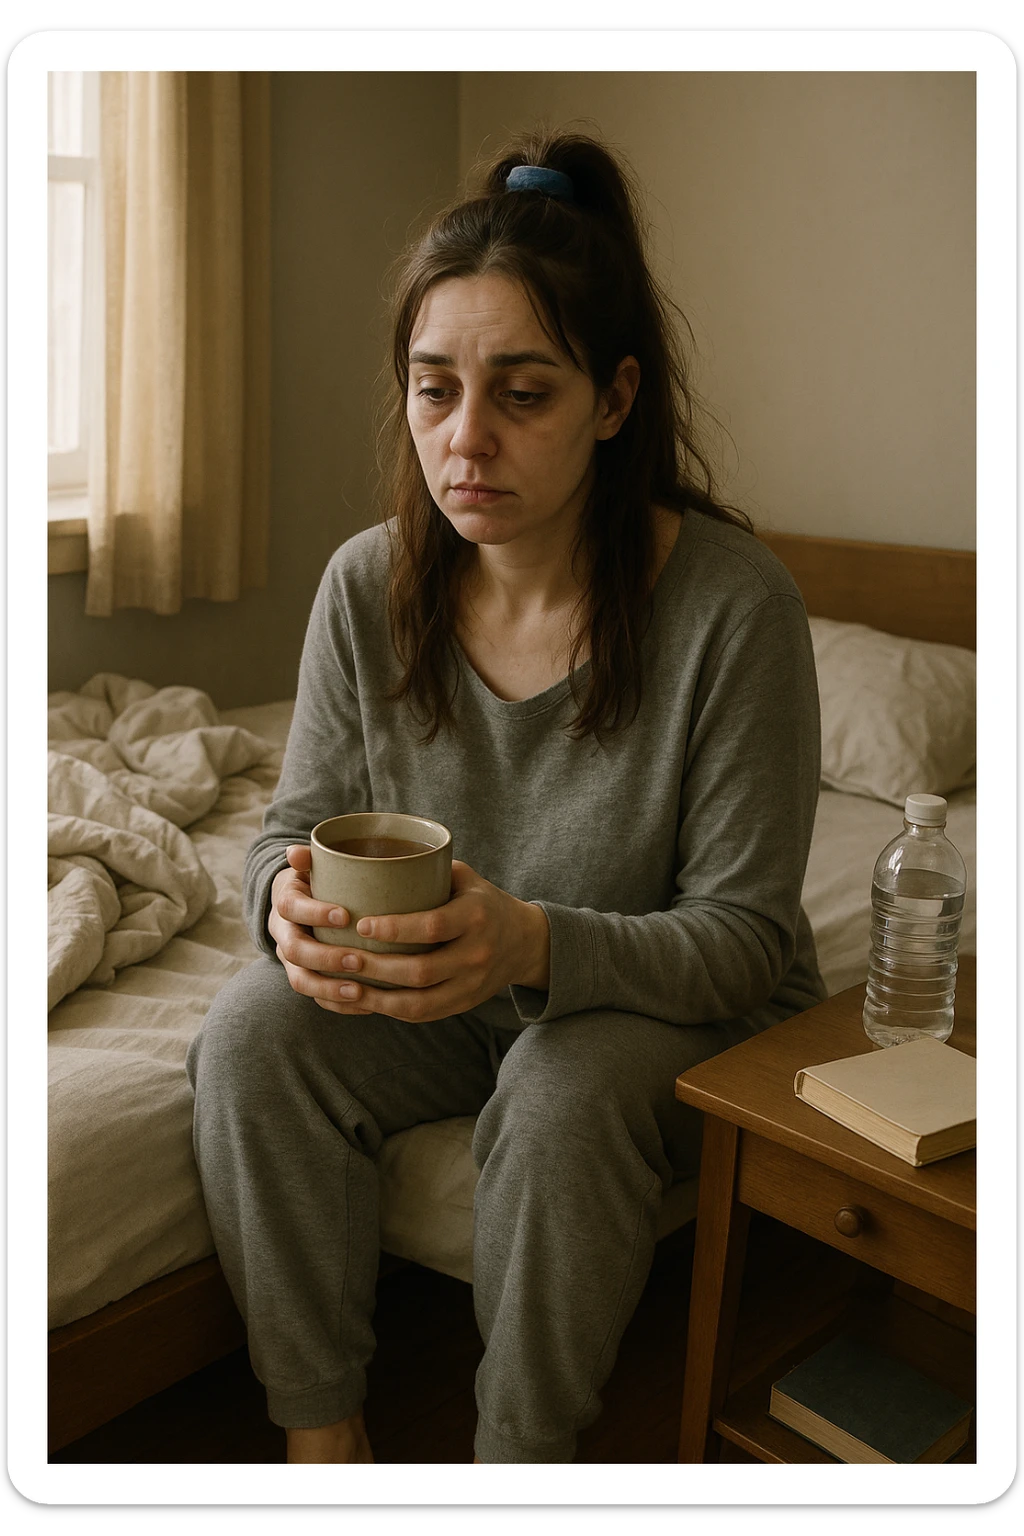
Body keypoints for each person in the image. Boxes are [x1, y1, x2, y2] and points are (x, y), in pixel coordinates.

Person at [185, 131, 826, 1465]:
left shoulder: (730, 609)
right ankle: (322, 1432)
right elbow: (284, 829)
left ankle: (518, 1462)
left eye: (522, 394)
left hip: (662, 1000)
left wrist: (534, 944)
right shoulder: (368, 585)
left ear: (614, 398)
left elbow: (747, 938)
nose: (464, 440)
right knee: (249, 1036)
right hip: (450, 988)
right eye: (433, 391)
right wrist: (284, 910)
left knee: (560, 1092)